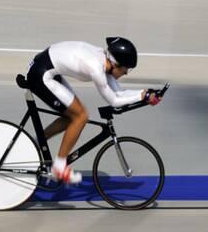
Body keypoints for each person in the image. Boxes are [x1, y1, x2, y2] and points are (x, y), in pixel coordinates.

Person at [25, 37, 161, 184]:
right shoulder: (96, 67)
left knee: (72, 116)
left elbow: (119, 93)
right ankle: (59, 166)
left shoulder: (104, 61)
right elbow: (114, 101)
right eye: (126, 69)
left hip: (45, 67)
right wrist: (142, 96)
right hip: (41, 75)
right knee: (81, 116)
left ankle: (34, 143)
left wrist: (145, 93)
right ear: (116, 64)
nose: (126, 73)